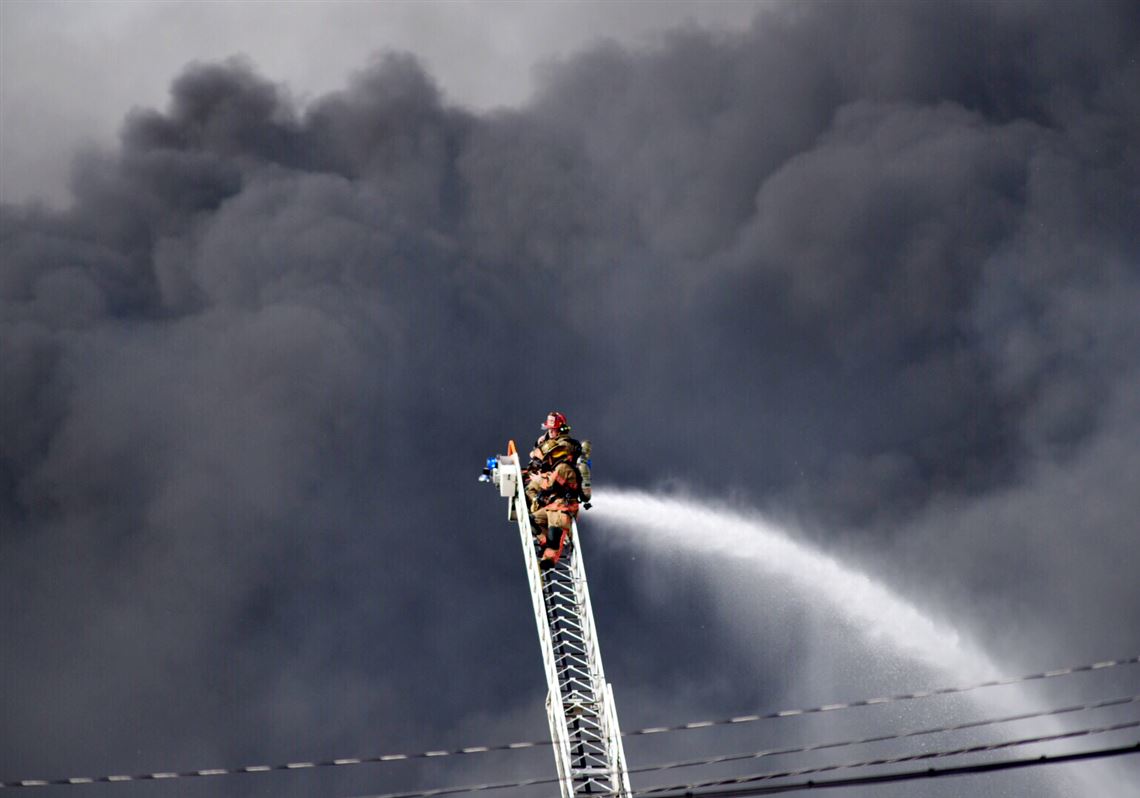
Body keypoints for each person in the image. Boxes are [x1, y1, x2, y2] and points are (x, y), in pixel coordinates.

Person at [526, 412, 591, 569]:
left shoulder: (563, 468)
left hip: (564, 507)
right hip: (552, 505)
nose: (550, 433)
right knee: (532, 519)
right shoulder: (554, 465)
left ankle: (550, 558)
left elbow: (549, 484)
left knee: (555, 536)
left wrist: (538, 480)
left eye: (553, 430)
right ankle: (545, 541)